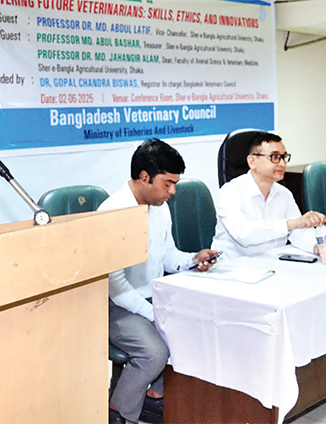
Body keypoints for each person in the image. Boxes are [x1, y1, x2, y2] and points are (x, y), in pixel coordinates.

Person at [98, 139, 218, 424]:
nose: (172, 192)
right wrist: (153, 315)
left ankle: (155, 397)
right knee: (154, 353)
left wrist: (193, 260)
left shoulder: (159, 207)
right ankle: (117, 412)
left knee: (201, 325)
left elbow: (167, 256)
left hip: (151, 295)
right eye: (168, 184)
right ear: (144, 177)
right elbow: (116, 287)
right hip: (114, 304)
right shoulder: (113, 214)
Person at [212, 132, 326, 259]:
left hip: (271, 261)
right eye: (274, 157)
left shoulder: (284, 193)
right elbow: (243, 234)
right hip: (234, 265)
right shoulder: (230, 192)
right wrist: (290, 224)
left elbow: (297, 232)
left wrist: (317, 246)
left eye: (284, 157)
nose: (282, 164)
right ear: (252, 161)